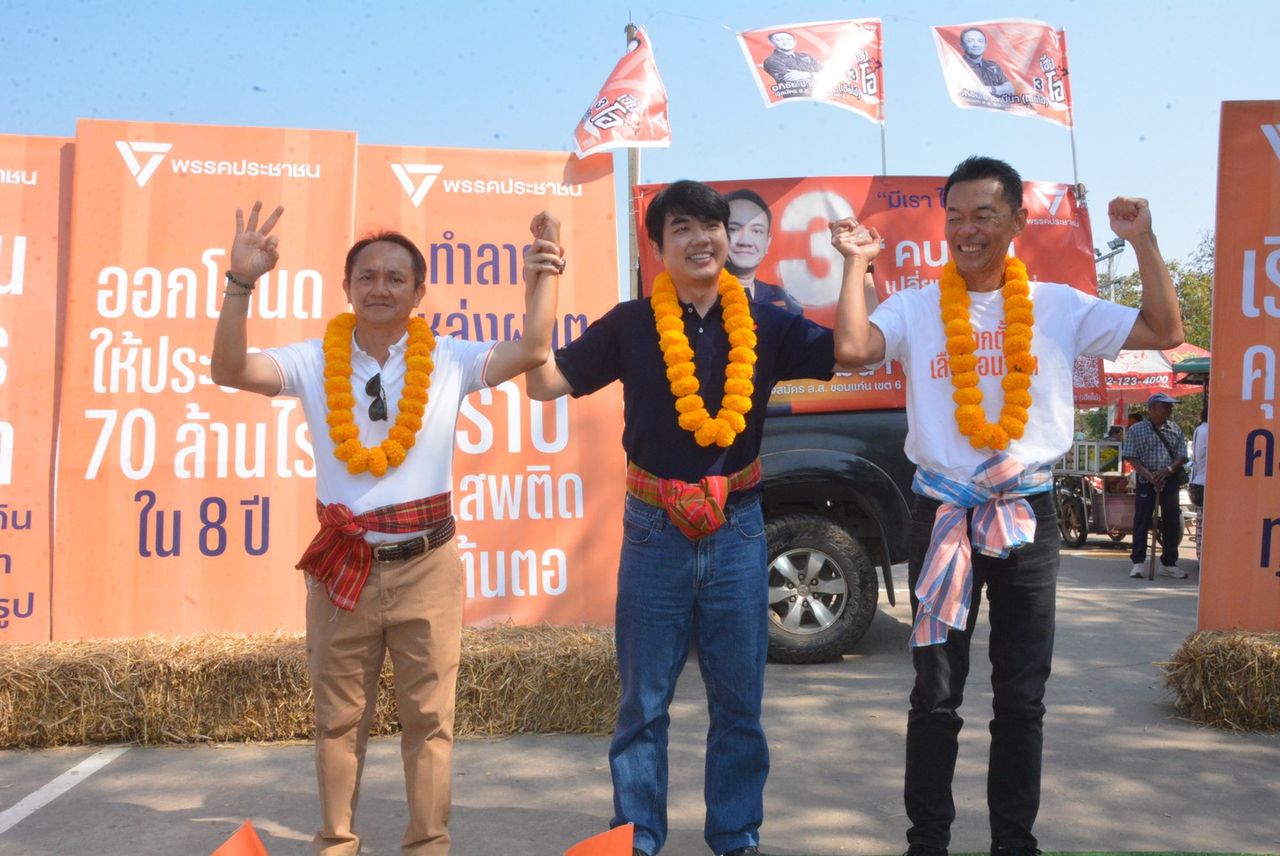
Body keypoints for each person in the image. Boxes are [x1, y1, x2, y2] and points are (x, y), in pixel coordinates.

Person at [829, 155, 1182, 856]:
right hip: (943, 516)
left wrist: (1142, 240)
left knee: (1021, 697)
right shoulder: (917, 306)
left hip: (1027, 515)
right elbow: (852, 348)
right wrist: (855, 266)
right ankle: (927, 843)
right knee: (935, 694)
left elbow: (1165, 329)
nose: (967, 229)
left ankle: (1014, 844)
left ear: (1017, 221)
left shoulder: (1057, 304)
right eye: (955, 216)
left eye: (984, 215)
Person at [210, 202, 566, 855]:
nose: (380, 287)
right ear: (346, 288)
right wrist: (240, 283)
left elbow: (533, 349)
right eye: (367, 276)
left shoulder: (450, 359)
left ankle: (428, 843)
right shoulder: (313, 361)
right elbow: (229, 370)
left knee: (430, 719)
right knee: (337, 721)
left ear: (418, 292)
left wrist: (544, 271)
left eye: (395, 278)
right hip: (343, 564)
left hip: (428, 565)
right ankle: (335, 842)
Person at [526, 180, 852, 856]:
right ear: (658, 246)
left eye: (712, 226)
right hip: (653, 532)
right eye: (682, 228)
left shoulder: (768, 322)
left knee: (739, 705)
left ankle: (735, 836)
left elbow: (853, 351)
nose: (701, 239)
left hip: (738, 528)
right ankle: (636, 837)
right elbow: (543, 382)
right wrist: (542, 280)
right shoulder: (630, 324)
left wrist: (856, 265)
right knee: (642, 705)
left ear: (728, 238)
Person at [724, 188, 878, 317]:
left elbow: (859, 341)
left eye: (756, 231)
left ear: (767, 243)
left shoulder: (783, 302)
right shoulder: (708, 298)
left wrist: (860, 261)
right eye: (734, 229)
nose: (745, 241)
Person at [1122, 392, 1189, 579]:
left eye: (1170, 406)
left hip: (1169, 479)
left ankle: (1168, 563)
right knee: (1142, 520)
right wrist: (1150, 476)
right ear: (1151, 409)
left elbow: (1182, 455)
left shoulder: (1175, 429)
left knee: (1172, 520)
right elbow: (1132, 456)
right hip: (1146, 480)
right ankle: (1138, 562)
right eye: (1164, 406)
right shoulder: (1137, 430)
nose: (1169, 410)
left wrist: (1167, 470)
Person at [762, 31, 822, 98]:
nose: (785, 42)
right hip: (796, 98)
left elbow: (827, 74)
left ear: (795, 42)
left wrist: (806, 75)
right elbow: (792, 79)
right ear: (771, 43)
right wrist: (817, 75)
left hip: (819, 93)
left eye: (789, 39)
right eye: (779, 40)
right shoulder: (772, 61)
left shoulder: (806, 56)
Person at [959, 27, 1014, 97]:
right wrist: (1000, 89)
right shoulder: (957, 65)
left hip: (995, 103)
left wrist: (990, 89)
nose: (976, 45)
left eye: (980, 41)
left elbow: (1010, 89)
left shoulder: (992, 66)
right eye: (970, 41)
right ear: (962, 45)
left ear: (985, 45)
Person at [1190, 401, 1208, 559]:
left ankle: (1201, 555)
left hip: (1198, 481)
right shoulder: (1211, 431)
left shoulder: (1199, 429)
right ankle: (1204, 557)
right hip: (1207, 483)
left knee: (1202, 523)